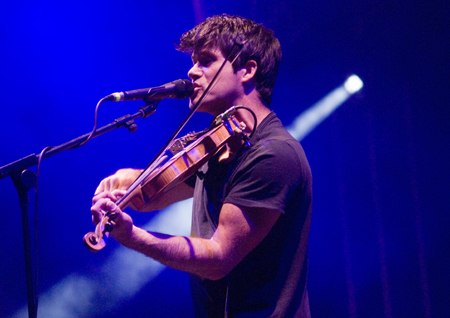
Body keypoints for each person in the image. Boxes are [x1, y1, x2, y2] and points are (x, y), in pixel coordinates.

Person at [91, 14, 312, 318]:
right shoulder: (220, 144)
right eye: (193, 62)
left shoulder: (273, 155)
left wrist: (133, 237)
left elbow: (219, 258)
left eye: (206, 61)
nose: (191, 72)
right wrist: (121, 182)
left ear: (247, 71)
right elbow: (152, 196)